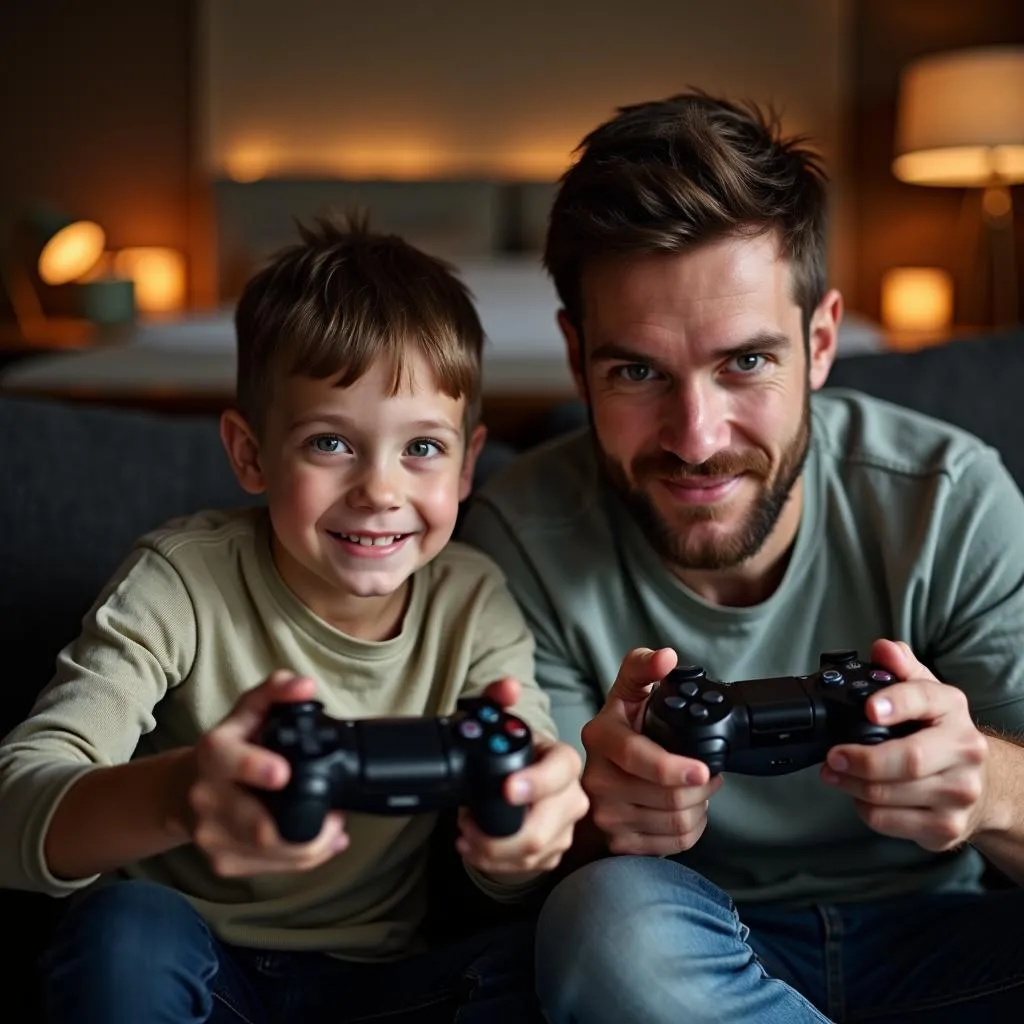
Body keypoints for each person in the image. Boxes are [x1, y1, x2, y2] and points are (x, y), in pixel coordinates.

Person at [459, 91, 1024, 1023]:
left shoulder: (948, 498)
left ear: (821, 341)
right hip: (685, 943)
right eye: (637, 371)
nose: (695, 437)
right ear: (575, 357)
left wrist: (991, 787)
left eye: (746, 364)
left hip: (946, 944)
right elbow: (497, 884)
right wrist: (594, 830)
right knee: (604, 918)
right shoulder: (517, 538)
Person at [0, 216, 589, 1024]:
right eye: (329, 443)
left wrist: (519, 833)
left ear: (467, 461)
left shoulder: (472, 599)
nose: (380, 490)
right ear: (249, 454)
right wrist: (180, 795)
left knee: (554, 956)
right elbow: (16, 805)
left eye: (421, 449)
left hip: (381, 984)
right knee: (125, 931)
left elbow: (512, 843)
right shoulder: (181, 581)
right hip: (197, 969)